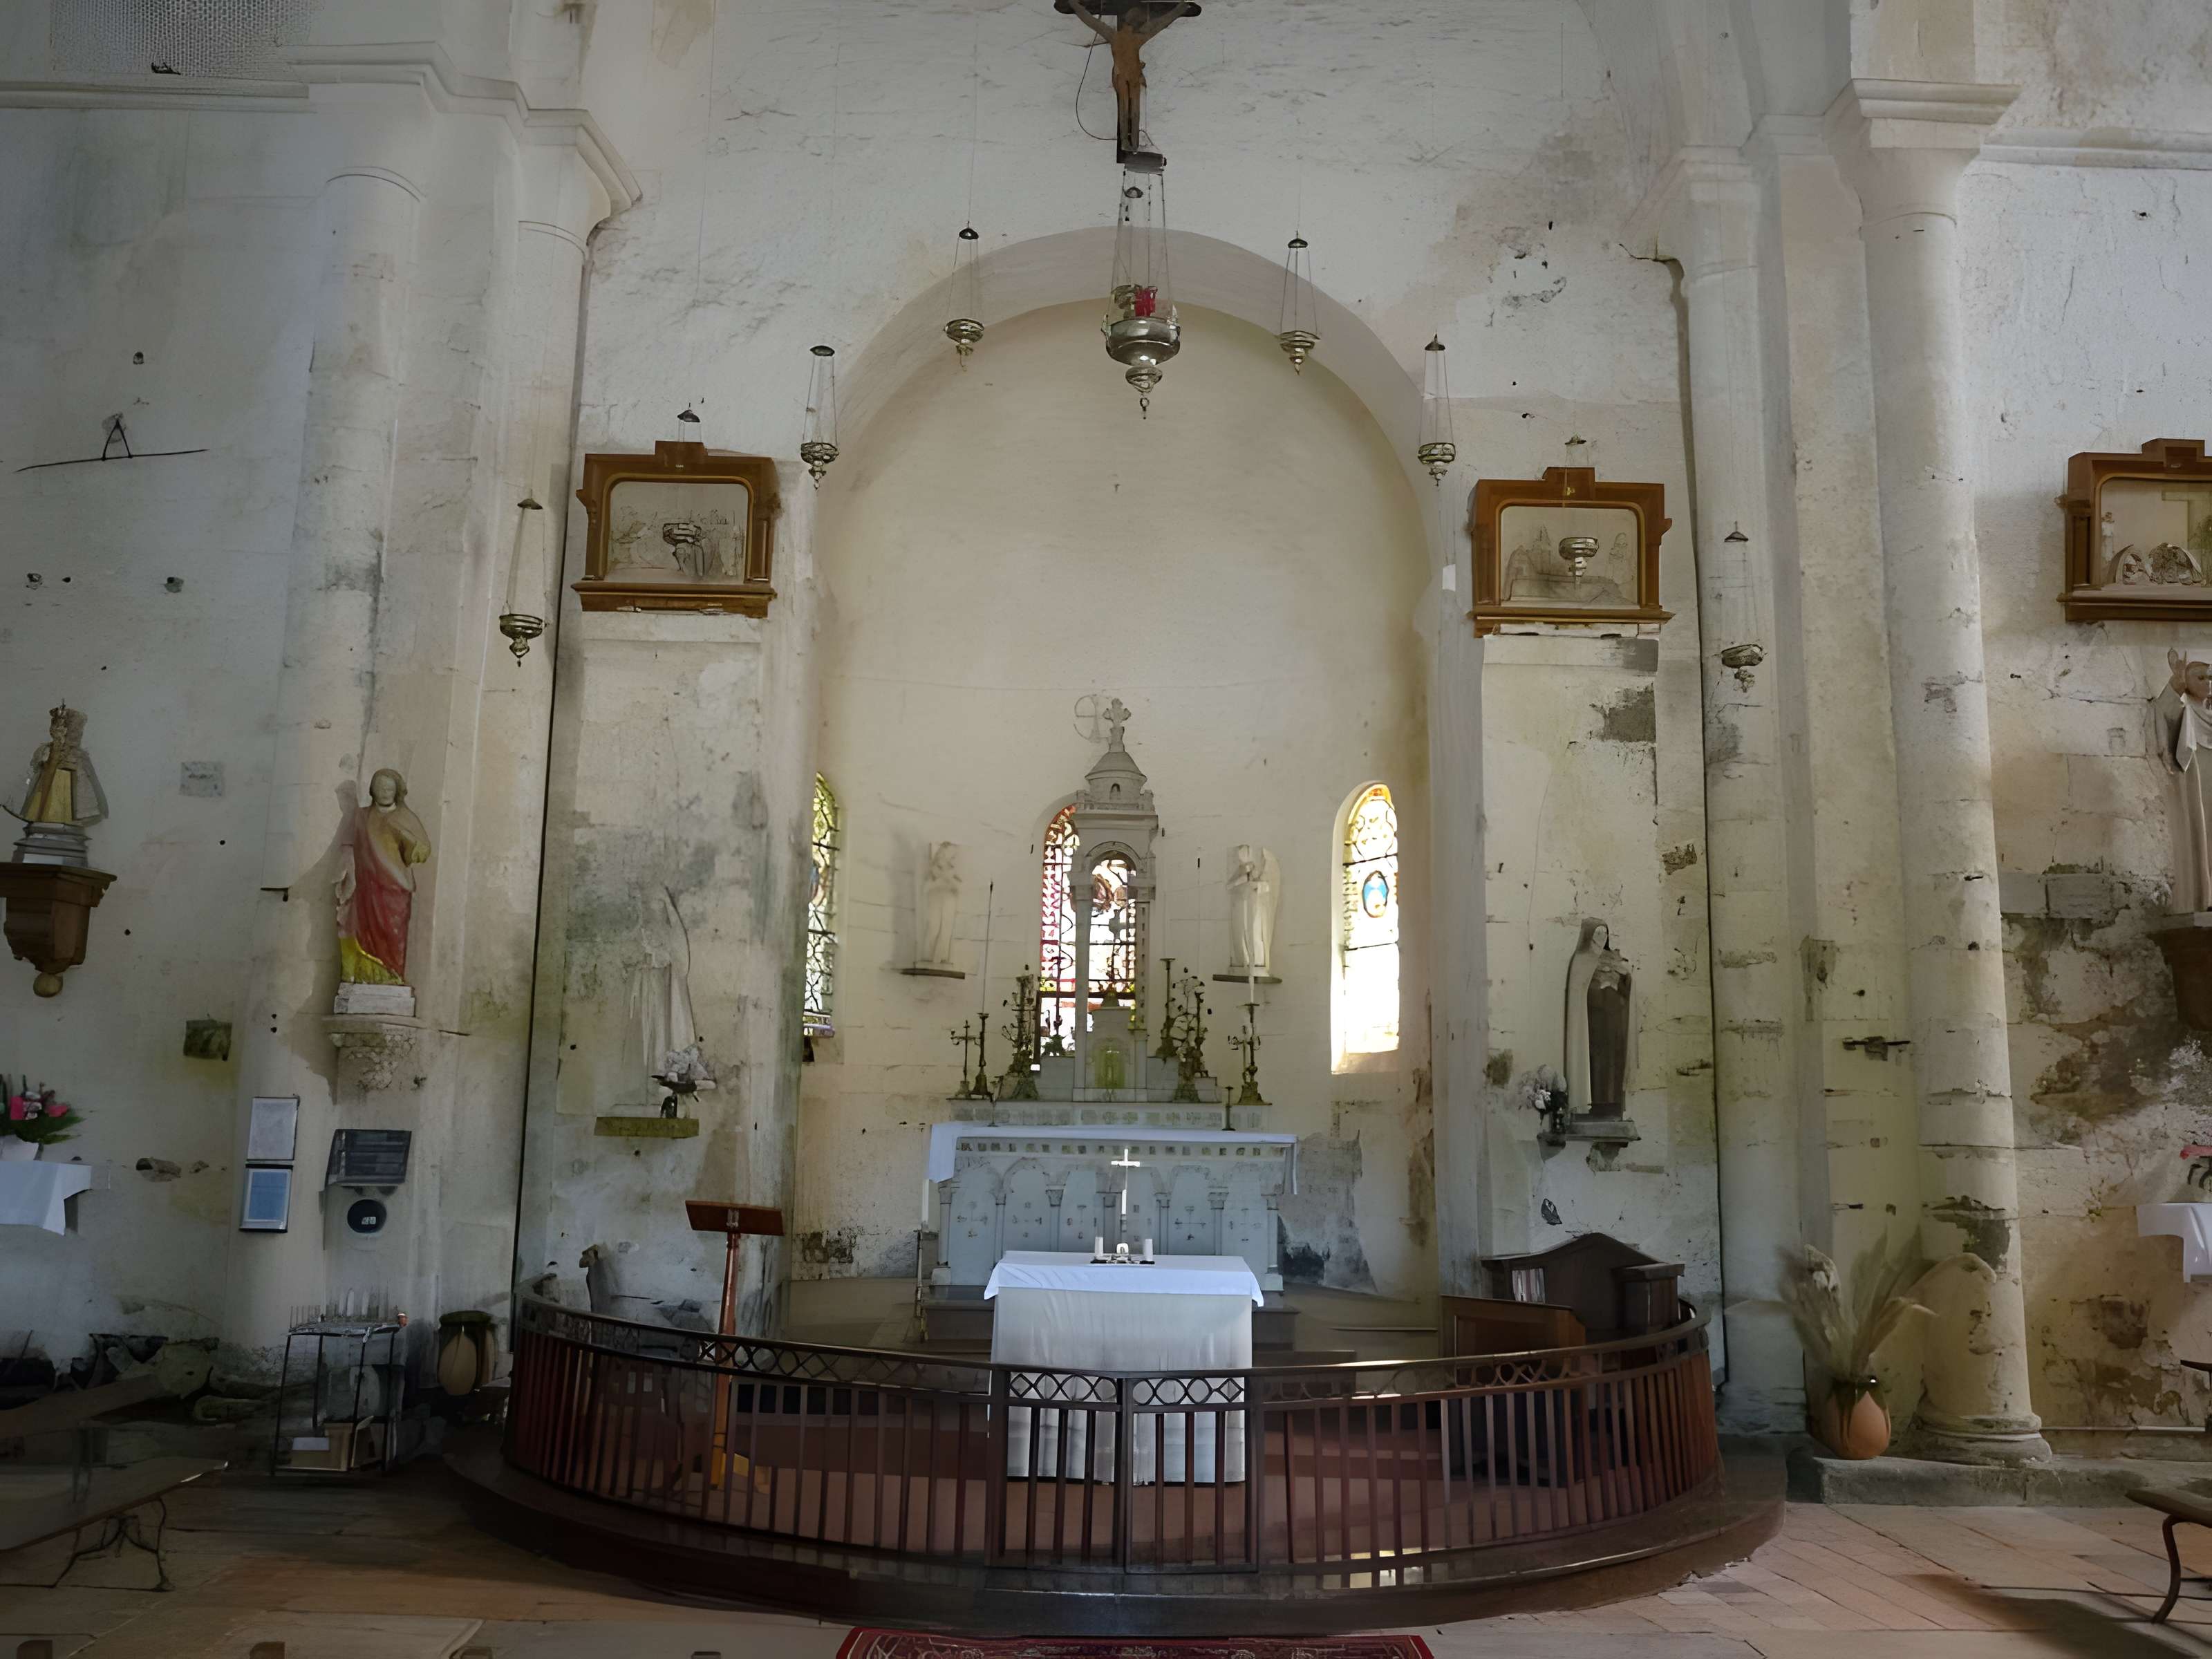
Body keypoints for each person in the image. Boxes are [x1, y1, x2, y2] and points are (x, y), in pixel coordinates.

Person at [336, 768, 432, 984]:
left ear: (397, 790)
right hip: (367, 888)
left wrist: (411, 842)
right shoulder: (361, 816)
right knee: (362, 930)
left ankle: (393, 976)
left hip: (395, 889)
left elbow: (423, 850)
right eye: (380, 787)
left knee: (393, 935)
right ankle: (364, 977)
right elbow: (348, 847)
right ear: (372, 790)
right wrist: (347, 874)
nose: (385, 792)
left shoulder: (406, 818)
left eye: (389, 788)